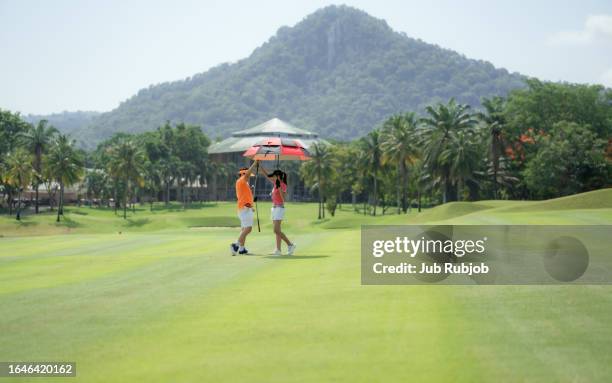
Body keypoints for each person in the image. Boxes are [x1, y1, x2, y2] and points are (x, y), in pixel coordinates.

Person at [260, 167, 296, 256]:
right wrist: (260, 166)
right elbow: (267, 176)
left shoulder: (283, 185)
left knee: (276, 230)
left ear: (278, 176)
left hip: (279, 208)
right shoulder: (275, 183)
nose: (273, 177)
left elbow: (284, 199)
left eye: (275, 175)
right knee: (277, 230)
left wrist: (279, 188)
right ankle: (278, 250)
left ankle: (290, 245)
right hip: (274, 208)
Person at [230, 160, 259, 255]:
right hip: (244, 209)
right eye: (247, 175)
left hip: (245, 208)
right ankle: (236, 245)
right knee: (248, 228)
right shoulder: (241, 181)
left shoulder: (243, 183)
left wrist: (252, 205)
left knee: (244, 229)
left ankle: (242, 248)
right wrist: (254, 164)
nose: (249, 178)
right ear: (243, 174)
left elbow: (246, 197)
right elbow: (247, 175)